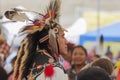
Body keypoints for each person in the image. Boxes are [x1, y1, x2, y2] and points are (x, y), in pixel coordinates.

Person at [4, 0, 68, 80]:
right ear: (51, 40)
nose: (66, 41)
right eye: (63, 36)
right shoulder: (54, 69)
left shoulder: (29, 64)